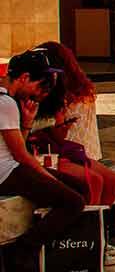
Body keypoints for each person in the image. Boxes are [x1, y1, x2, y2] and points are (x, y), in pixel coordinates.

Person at [31, 42, 115, 266]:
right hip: (53, 153)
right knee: (94, 180)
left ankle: (98, 235)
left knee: (112, 180)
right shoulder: (45, 91)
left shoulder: (70, 92)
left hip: (72, 151)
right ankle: (87, 241)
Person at [0, 49, 86, 272]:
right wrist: (49, 178)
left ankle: (50, 251)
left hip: (11, 167)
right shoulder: (6, 103)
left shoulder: (7, 101)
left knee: (78, 186)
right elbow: (20, 155)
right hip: (6, 172)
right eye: (40, 85)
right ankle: (24, 251)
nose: (41, 92)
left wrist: (27, 122)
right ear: (24, 78)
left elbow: (15, 143)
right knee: (73, 201)